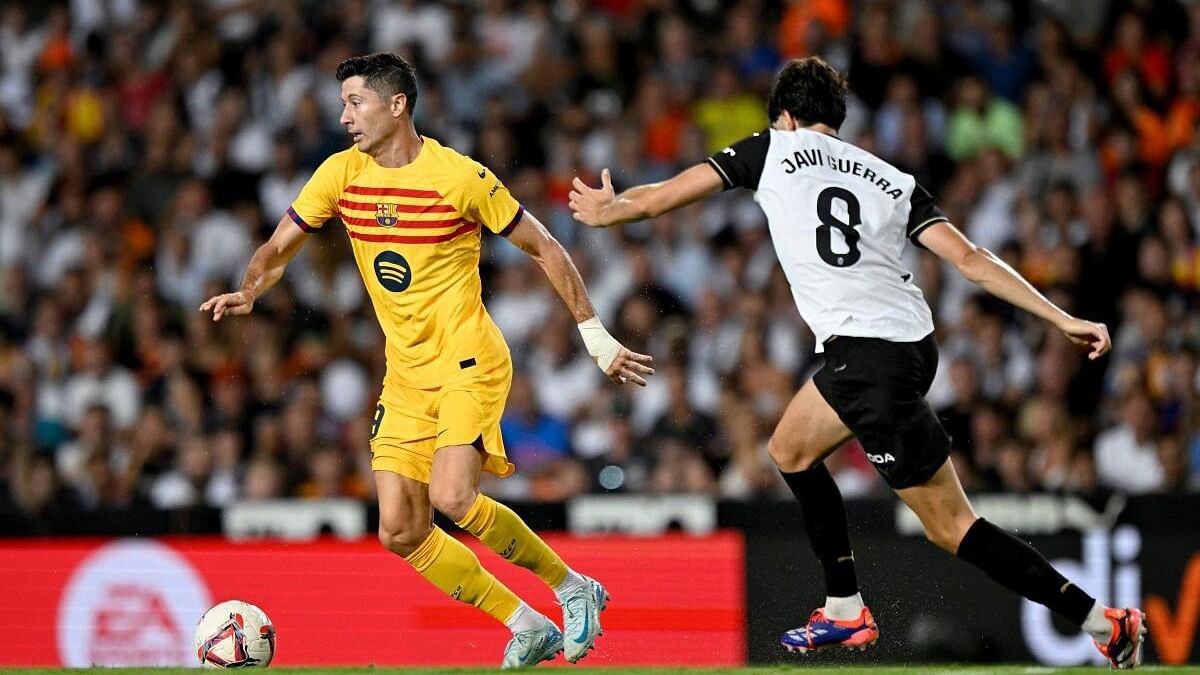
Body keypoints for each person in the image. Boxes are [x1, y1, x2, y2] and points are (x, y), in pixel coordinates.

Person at [569, 56, 1146, 669]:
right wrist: (1060, 317)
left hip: (866, 353)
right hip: (912, 349)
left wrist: (610, 210)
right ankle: (1104, 622)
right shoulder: (891, 178)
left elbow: (660, 200)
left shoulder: (774, 148)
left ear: (785, 116)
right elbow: (973, 259)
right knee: (951, 526)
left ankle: (845, 609)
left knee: (791, 453)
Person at [201, 53, 654, 669]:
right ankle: (525, 623)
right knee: (400, 529)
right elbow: (280, 246)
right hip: (407, 374)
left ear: (397, 105)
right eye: (342, 104)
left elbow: (544, 247)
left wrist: (594, 334)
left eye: (354, 103)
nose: (343, 117)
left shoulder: (459, 177)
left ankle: (574, 587)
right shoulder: (340, 175)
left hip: (469, 357)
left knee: (453, 497)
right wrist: (252, 287)